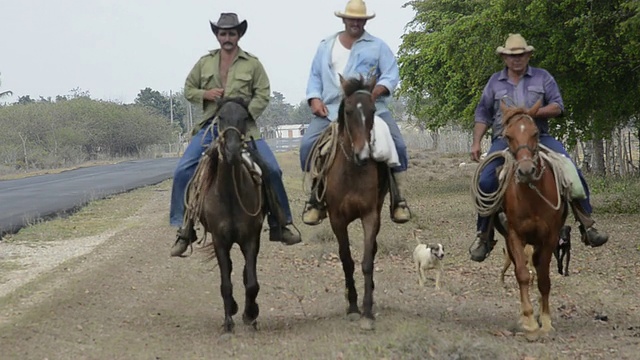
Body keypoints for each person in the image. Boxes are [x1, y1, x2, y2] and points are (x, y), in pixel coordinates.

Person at [169, 13, 301, 257]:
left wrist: (243, 113)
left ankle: (281, 224)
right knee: (183, 170)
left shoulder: (252, 63)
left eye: (231, 33)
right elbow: (189, 89)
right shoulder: (204, 63)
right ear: (217, 35)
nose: (227, 37)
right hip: (210, 126)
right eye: (223, 33)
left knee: (272, 169)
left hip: (243, 128)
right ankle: (184, 228)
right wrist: (205, 94)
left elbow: (263, 93)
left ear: (239, 35)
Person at [468, 33, 608, 262]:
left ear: (528, 55)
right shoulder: (495, 82)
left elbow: (557, 106)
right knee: (485, 181)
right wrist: (476, 141)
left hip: (539, 137)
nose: (517, 59)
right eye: (512, 56)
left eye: (521, 55)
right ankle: (484, 235)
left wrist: (534, 114)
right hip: (505, 140)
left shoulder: (543, 78)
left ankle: (588, 225)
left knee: (571, 171)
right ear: (504, 58)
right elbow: (483, 112)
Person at [299, 0, 411, 225]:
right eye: (352, 18)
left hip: (371, 109)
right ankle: (315, 199)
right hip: (332, 110)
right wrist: (314, 99)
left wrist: (377, 91)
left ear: (365, 21)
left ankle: (399, 199)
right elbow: (314, 77)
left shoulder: (377, 46)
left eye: (360, 19)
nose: (356, 23)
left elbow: (391, 73)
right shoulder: (326, 46)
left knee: (397, 144)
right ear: (344, 19)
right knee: (307, 145)